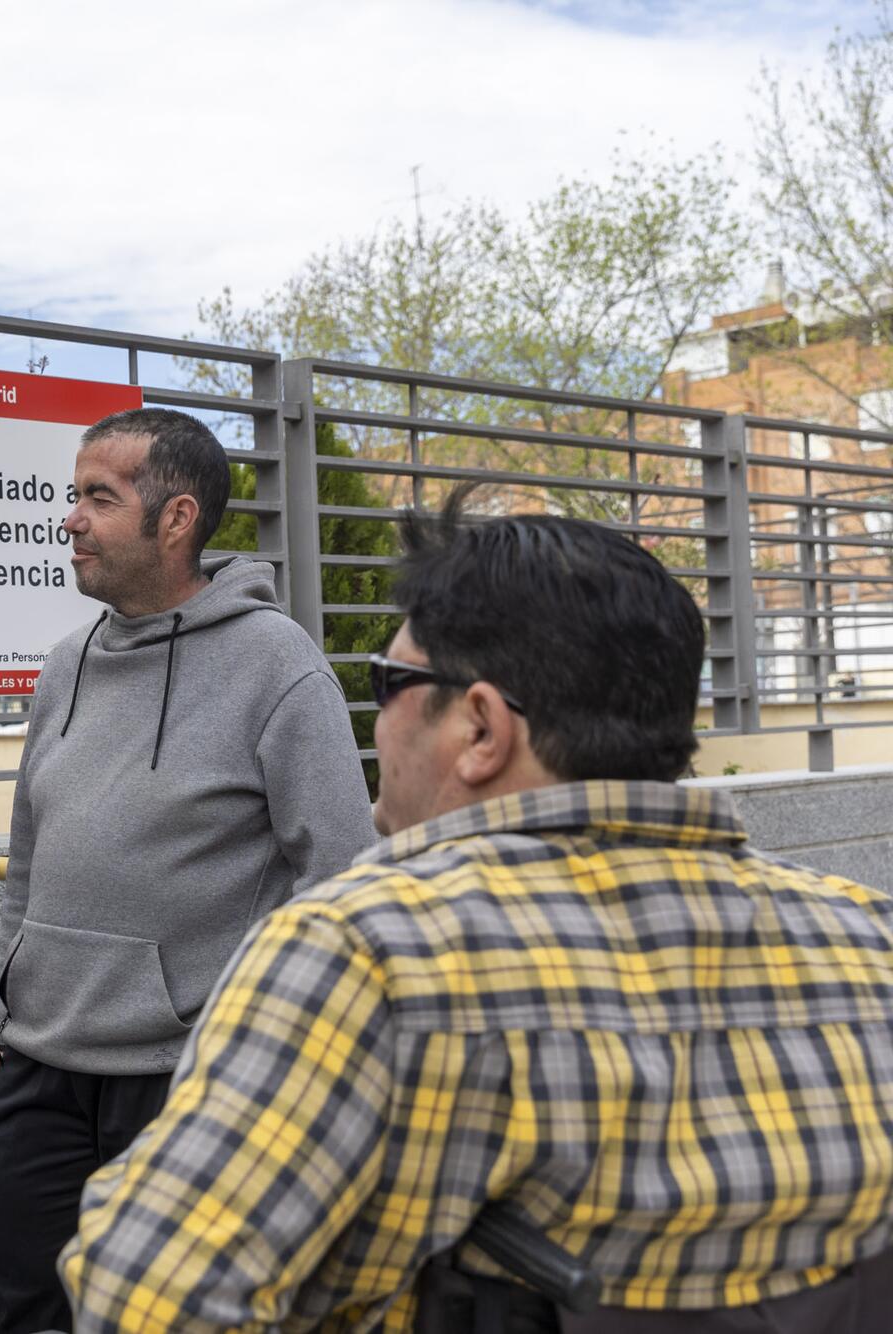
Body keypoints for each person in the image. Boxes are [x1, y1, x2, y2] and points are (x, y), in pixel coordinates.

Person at [62, 487, 893, 1332]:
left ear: (483, 729)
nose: (374, 721)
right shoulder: (872, 940)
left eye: (388, 682)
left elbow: (148, 1302)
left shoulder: (364, 953)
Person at [0, 406, 376, 1332]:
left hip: (192, 1075)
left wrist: (286, 1063)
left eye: (97, 498)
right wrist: (2, 1026)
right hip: (41, 1064)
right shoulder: (64, 663)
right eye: (73, 495)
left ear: (176, 519)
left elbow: (343, 880)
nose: (69, 518)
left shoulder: (278, 665)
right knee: (23, 1306)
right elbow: (30, 857)